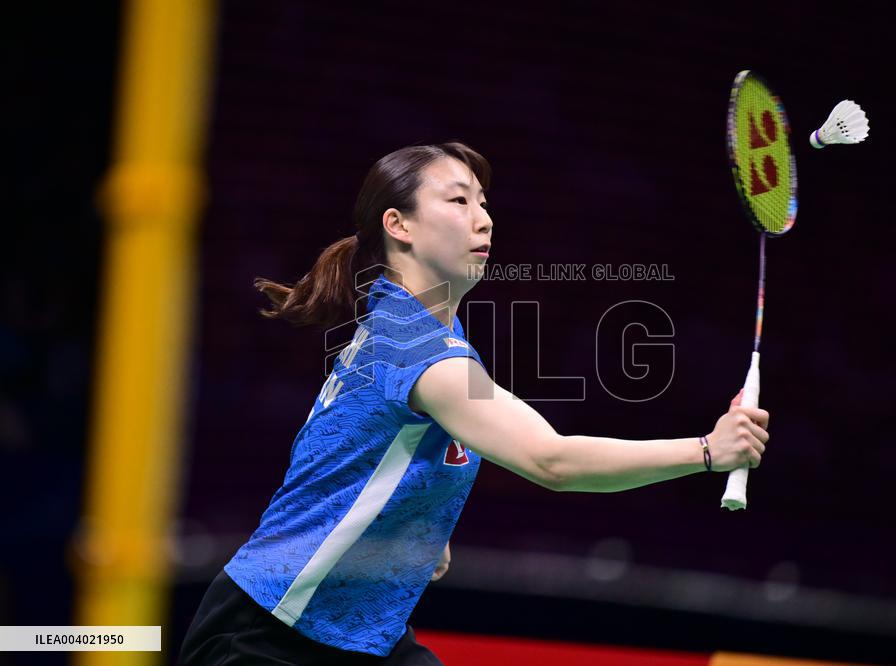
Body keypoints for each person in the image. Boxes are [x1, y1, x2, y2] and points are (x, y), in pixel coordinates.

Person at [178, 142, 769, 665]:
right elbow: (552, 461)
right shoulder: (416, 349)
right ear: (399, 225)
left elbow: (349, 447)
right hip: (271, 637)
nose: (484, 219)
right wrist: (707, 451)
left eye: (484, 203)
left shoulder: (418, 331)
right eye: (459, 202)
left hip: (359, 635)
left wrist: (418, 523)